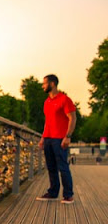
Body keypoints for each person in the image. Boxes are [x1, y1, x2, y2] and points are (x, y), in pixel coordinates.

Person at [36, 74, 76, 204]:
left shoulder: (65, 99)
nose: (43, 86)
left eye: (44, 83)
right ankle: (53, 192)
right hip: (48, 138)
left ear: (52, 84)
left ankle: (68, 195)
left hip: (60, 139)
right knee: (51, 167)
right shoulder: (47, 102)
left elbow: (72, 118)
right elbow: (47, 122)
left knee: (63, 167)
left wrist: (68, 136)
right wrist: (43, 138)